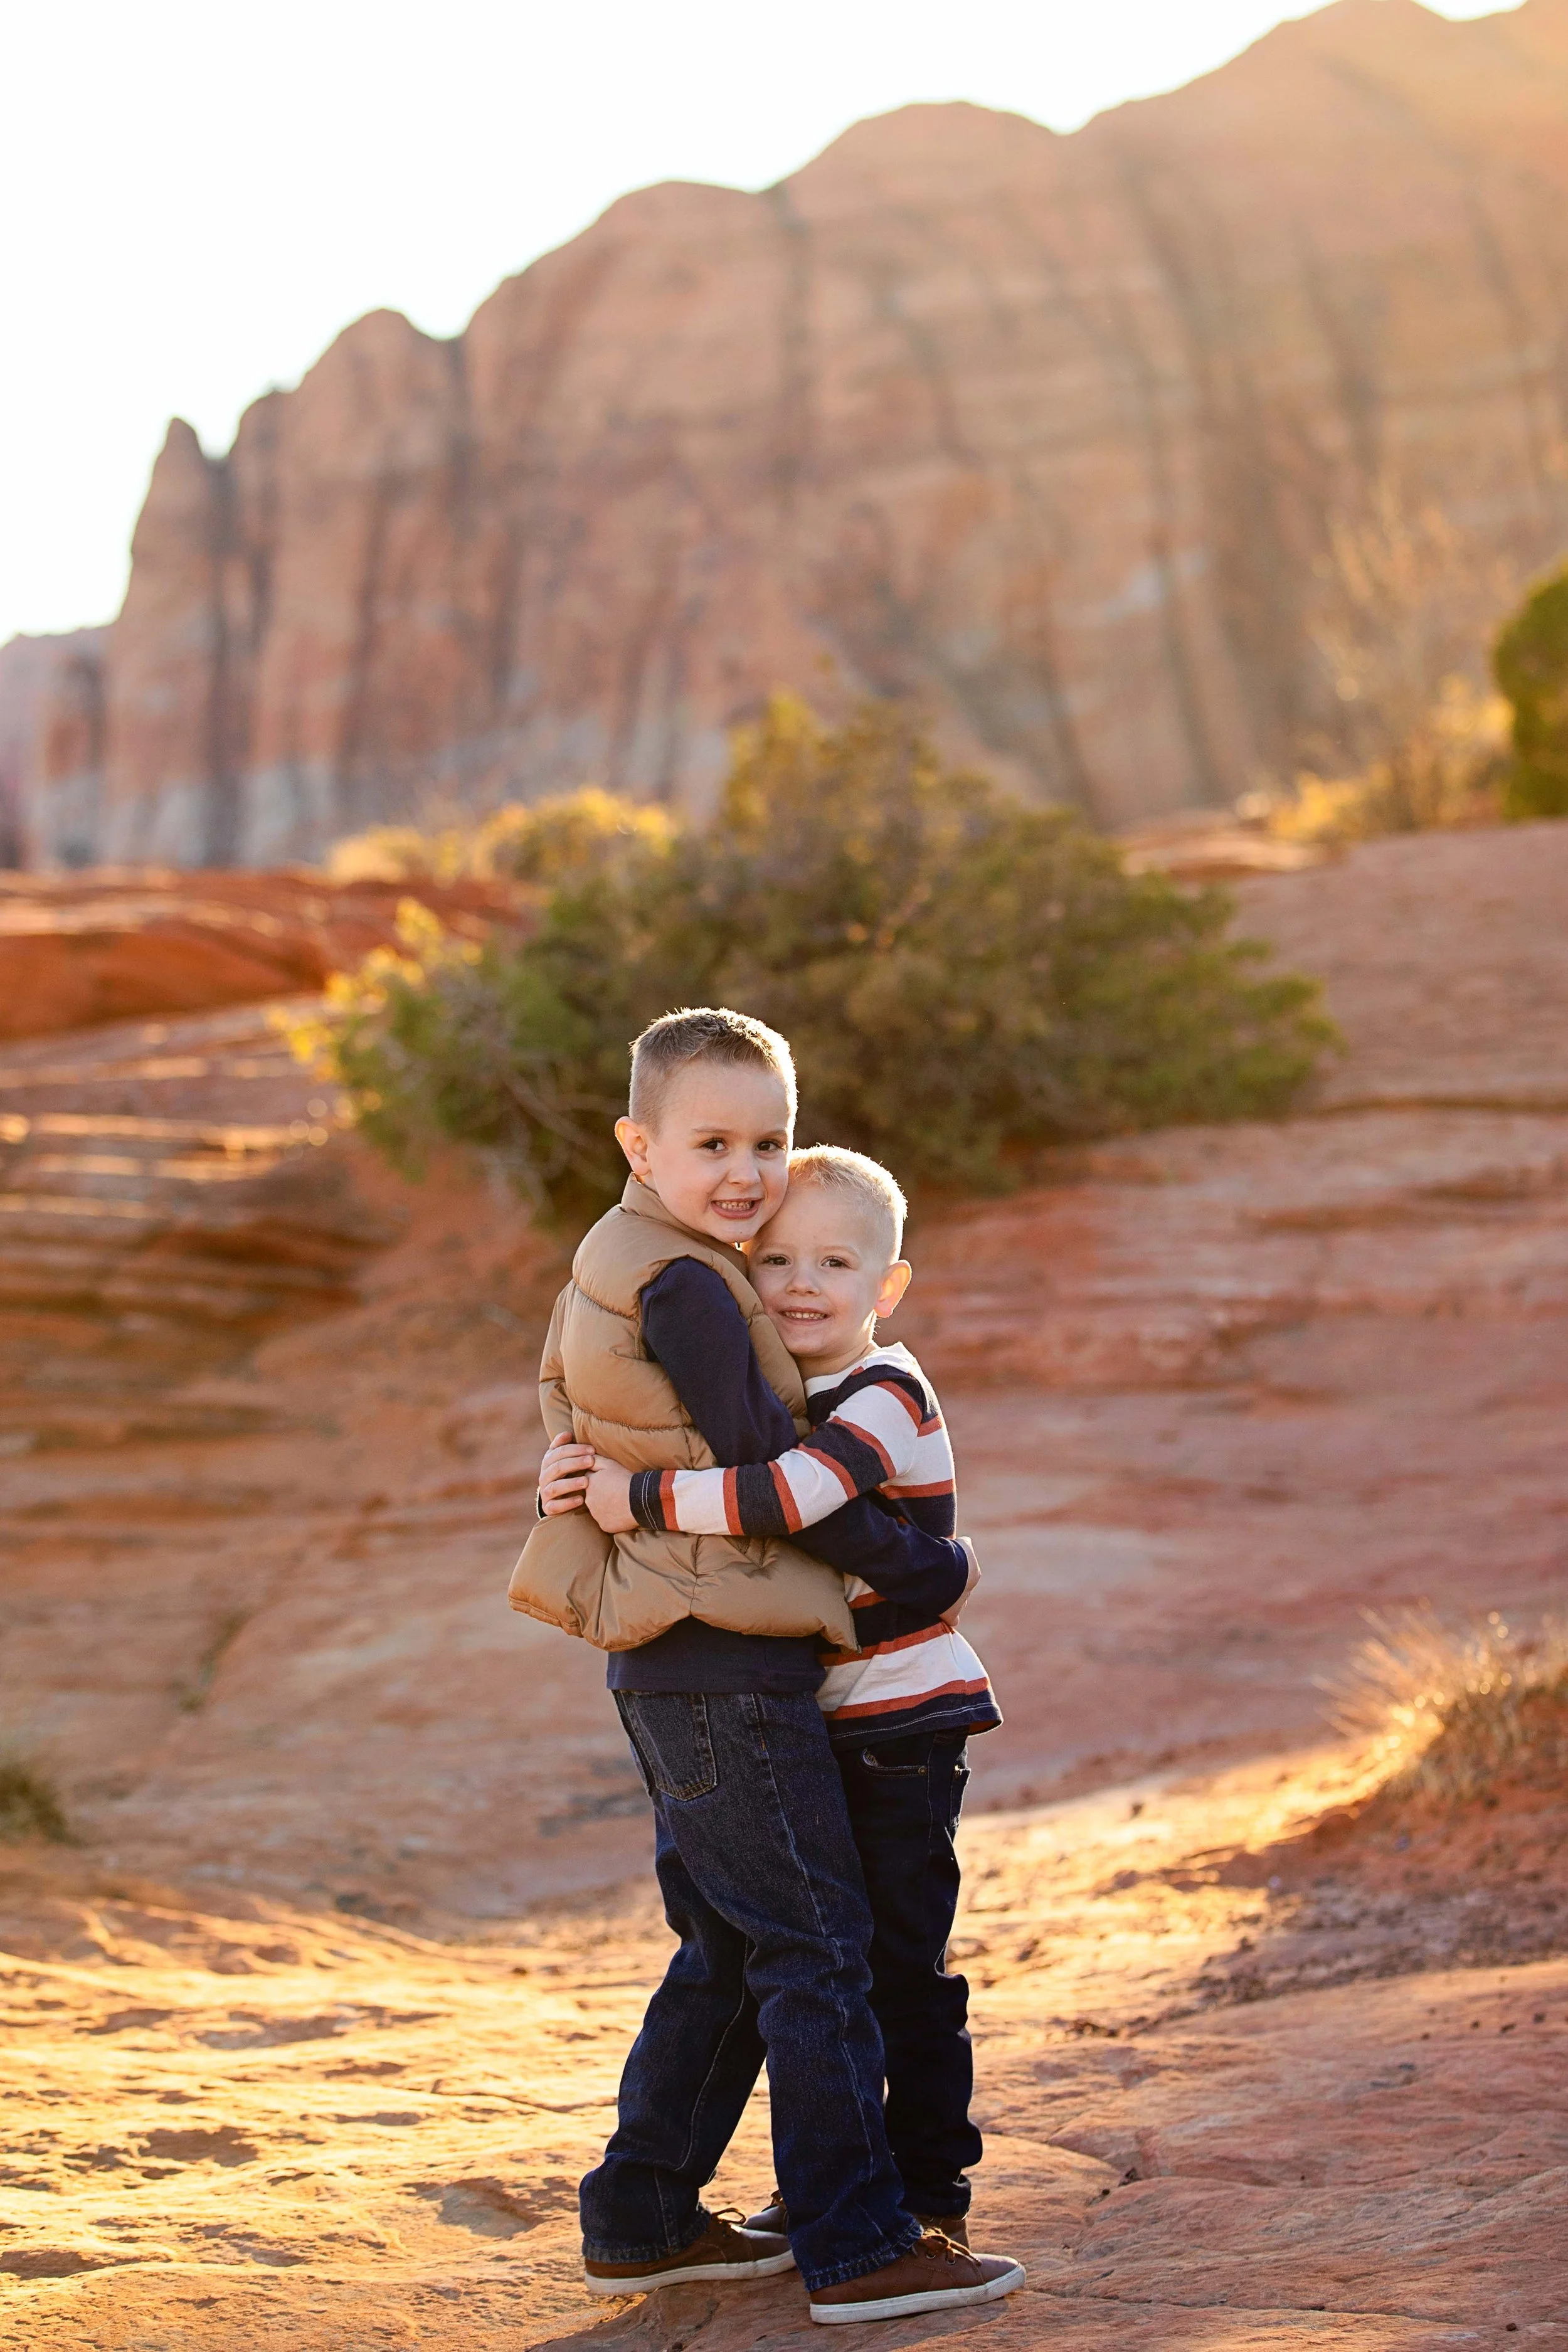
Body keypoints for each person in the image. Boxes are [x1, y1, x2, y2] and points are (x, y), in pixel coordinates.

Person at [527, 1006, 1024, 2324]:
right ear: (639, 1143)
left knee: (745, 1948)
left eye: (767, 1142)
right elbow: (781, 1484)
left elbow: (665, 1438)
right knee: (812, 1949)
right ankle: (854, 2243)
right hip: (722, 1672)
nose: (744, 1174)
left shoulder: (647, 1264)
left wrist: (599, 1482)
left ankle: (644, 2215)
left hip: (720, 1671)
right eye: (713, 1143)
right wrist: (932, 1568)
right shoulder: (691, 1283)